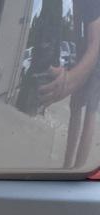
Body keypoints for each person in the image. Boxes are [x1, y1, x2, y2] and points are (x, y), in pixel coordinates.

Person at [40, 0, 100, 167]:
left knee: (90, 109)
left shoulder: (91, 2)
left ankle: (78, 170)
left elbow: (95, 43)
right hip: (83, 51)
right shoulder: (75, 4)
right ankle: (67, 166)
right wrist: (73, 67)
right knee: (75, 106)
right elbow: (78, 33)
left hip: (97, 56)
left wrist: (70, 78)